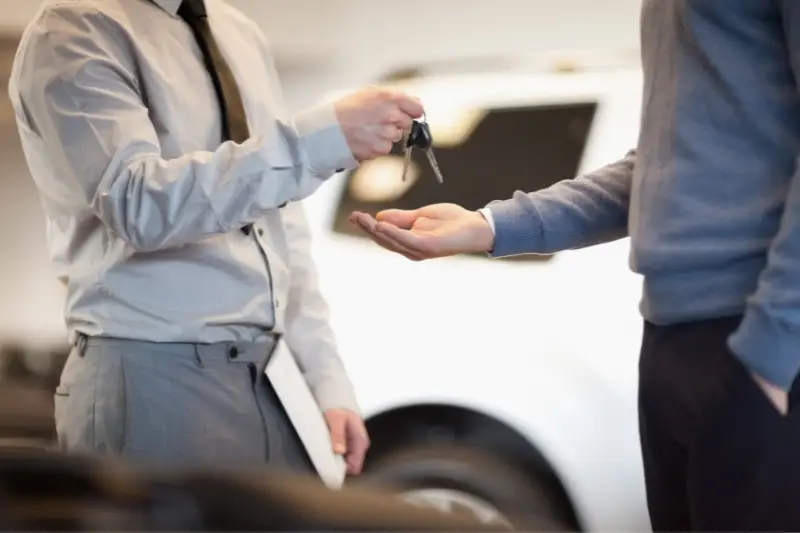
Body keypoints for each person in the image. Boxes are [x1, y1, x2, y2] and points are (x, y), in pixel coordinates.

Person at [350, 1, 800, 530]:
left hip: (758, 340)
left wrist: (770, 354)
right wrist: (491, 225)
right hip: (673, 338)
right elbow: (662, 164)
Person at [8, 0, 424, 476]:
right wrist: (320, 140)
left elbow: (279, 224)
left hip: (273, 377)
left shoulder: (238, 31)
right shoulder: (76, 27)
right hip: (153, 382)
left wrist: (325, 378)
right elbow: (137, 205)